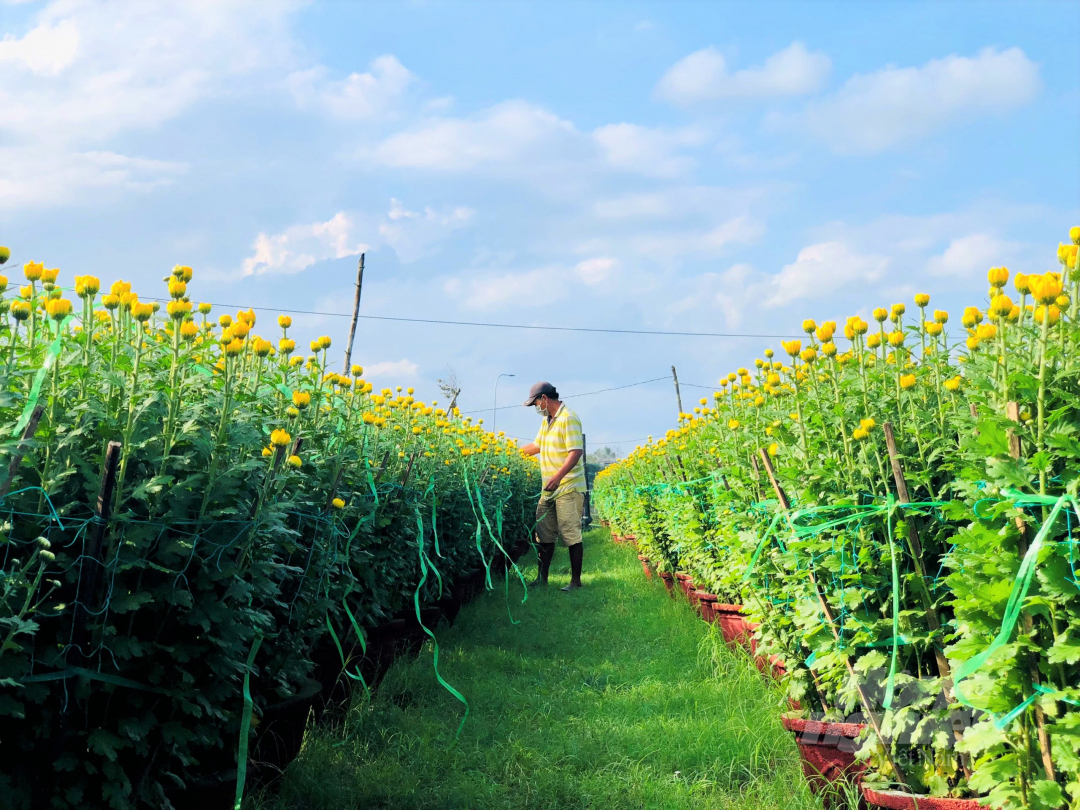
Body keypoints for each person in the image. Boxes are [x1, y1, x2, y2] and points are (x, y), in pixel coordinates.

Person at [520, 381, 586, 591]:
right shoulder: (547, 421)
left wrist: (558, 477)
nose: (535, 408)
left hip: (568, 485)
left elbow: (575, 451)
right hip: (548, 488)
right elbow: (537, 446)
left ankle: (575, 581)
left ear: (545, 399)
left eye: (536, 403)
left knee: (570, 533)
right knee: (544, 533)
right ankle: (542, 578)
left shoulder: (568, 418)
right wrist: (507, 453)